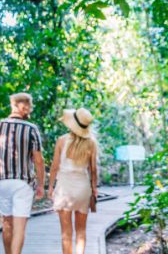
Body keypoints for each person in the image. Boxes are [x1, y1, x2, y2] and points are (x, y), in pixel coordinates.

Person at [0, 92, 46, 254]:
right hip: (23, 183)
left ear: (13, 105)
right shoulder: (31, 129)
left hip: (3, 182)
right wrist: (41, 184)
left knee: (7, 224)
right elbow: (38, 160)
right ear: (26, 107)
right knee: (19, 226)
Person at [48, 107, 99, 254]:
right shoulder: (91, 143)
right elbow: (93, 169)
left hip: (65, 188)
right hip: (83, 188)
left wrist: (50, 187)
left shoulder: (62, 140)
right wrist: (94, 188)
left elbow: (54, 167)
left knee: (66, 233)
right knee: (81, 231)